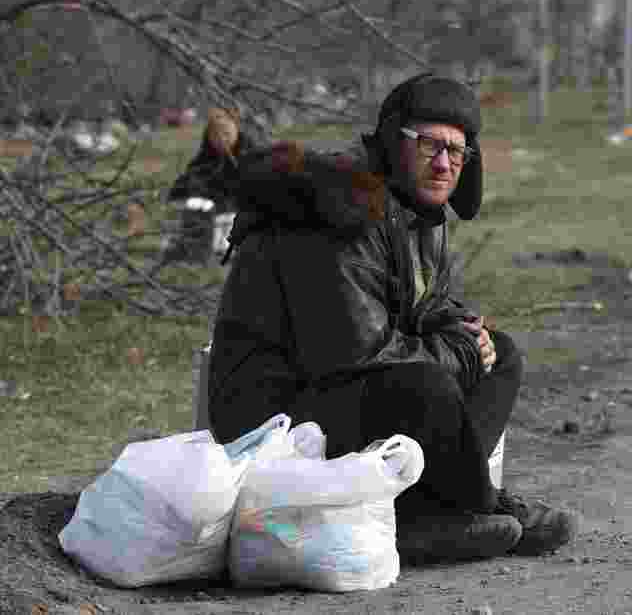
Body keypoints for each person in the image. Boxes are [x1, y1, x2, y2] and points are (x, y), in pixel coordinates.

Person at [204, 73, 580, 565]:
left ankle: (437, 509)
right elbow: (351, 354)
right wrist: (458, 350)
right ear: (392, 140)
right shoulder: (340, 209)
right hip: (273, 417)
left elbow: (421, 305)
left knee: (499, 354)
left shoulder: (416, 207)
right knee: (426, 384)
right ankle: (455, 509)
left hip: (339, 393)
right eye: (429, 145)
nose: (444, 163)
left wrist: (467, 333)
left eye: (457, 152)